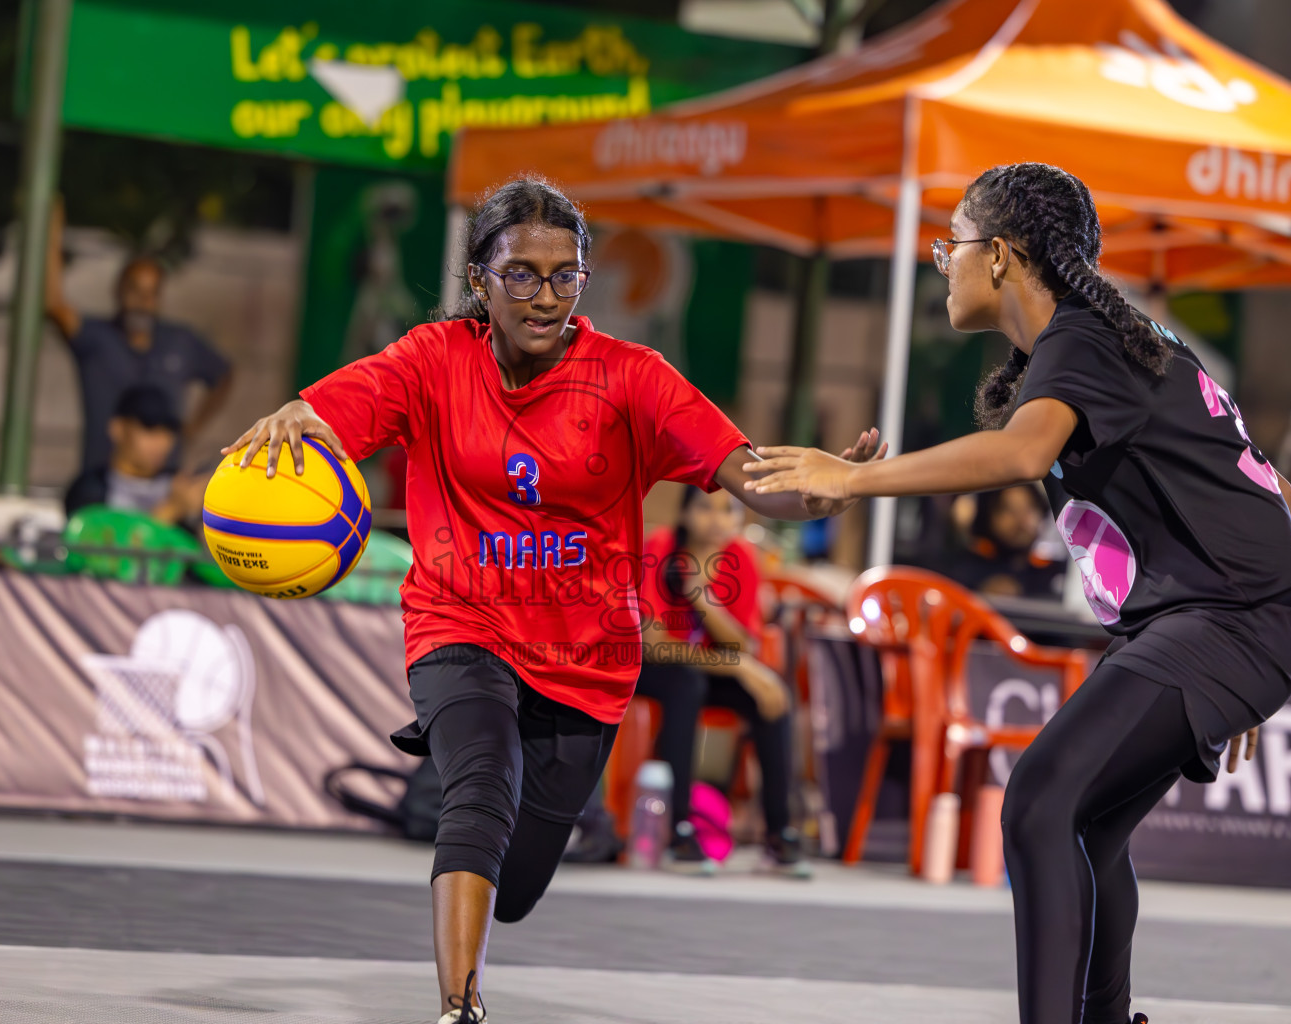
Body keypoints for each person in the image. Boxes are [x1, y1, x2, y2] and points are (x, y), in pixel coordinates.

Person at [221, 178, 882, 1024]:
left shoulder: (633, 379)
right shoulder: (430, 360)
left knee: (522, 876)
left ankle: (498, 885)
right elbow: (325, 415)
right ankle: (461, 1005)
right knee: (479, 783)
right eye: (521, 275)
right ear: (478, 280)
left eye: (563, 276)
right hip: (458, 623)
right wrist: (292, 421)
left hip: (588, 657)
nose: (544, 296)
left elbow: (745, 475)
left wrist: (822, 493)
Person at [744, 163, 1291, 1024]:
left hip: (1225, 624)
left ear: (1003, 256)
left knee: (1040, 801)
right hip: (1225, 624)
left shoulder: (1085, 340)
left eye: (953, 245)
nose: (942, 262)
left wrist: (855, 483)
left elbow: (1014, 456)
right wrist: (1251, 654)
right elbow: (1272, 485)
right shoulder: (1104, 343)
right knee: (1086, 827)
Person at [636, 484, 807, 875]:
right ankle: (678, 830)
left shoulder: (740, 557)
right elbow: (654, 646)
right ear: (684, 514)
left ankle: (779, 834)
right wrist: (740, 666)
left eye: (727, 511)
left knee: (770, 699)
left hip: (705, 669)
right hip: (650, 670)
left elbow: (740, 644)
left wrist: (702, 596)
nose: (717, 520)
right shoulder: (660, 547)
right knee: (686, 684)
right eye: (704, 509)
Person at [44, 198, 234, 475]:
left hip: (162, 482)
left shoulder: (181, 342)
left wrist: (192, 430)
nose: (143, 302)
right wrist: (49, 224)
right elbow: (54, 306)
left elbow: (224, 375)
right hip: (105, 480)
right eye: (135, 291)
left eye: (152, 293)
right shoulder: (97, 339)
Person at [64, 384, 207, 528]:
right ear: (118, 428)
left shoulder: (178, 484)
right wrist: (171, 510)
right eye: (149, 429)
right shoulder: (90, 490)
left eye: (168, 432)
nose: (162, 442)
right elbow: (101, 544)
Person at [947, 483, 1064, 599]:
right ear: (988, 515)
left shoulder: (1053, 573)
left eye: (1029, 509)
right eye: (1009, 510)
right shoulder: (964, 569)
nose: (1021, 520)